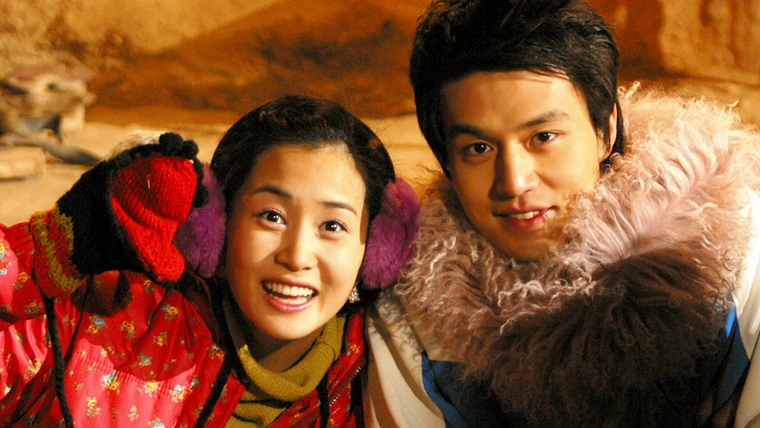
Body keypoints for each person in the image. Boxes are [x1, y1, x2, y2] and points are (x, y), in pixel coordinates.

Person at [364, 0, 760, 427]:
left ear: (606, 131)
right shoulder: (415, 313)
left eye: (544, 137)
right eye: (479, 148)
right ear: (447, 162)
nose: (514, 182)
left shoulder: (736, 250)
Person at [0, 95, 418, 427]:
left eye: (333, 226)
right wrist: (49, 250)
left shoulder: (388, 378)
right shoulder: (107, 320)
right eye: (271, 216)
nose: (296, 256)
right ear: (215, 225)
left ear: (377, 249)